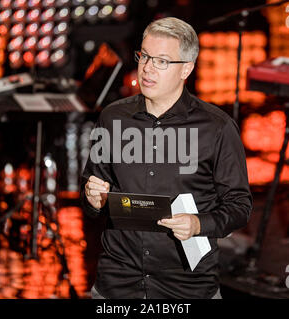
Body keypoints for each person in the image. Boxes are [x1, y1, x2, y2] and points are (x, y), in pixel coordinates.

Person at [80, 17, 252, 299]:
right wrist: (92, 197)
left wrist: (198, 224)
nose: (147, 68)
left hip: (186, 288)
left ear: (186, 68)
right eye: (144, 56)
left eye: (161, 61)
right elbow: (91, 188)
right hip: (117, 283)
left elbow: (240, 206)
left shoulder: (216, 128)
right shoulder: (112, 117)